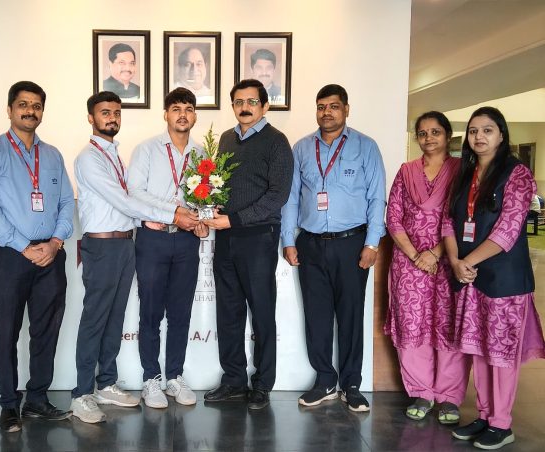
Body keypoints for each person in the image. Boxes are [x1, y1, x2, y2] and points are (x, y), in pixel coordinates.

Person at [71, 91, 199, 423]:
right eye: (105, 112)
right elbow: (126, 200)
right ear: (91, 117)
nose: (111, 118)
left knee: (114, 319)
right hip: (103, 245)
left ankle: (105, 384)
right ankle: (82, 393)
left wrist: (197, 219)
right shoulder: (90, 158)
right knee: (96, 319)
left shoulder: (114, 154)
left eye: (116, 112)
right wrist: (173, 215)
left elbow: (130, 203)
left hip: (126, 243)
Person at [0, 81, 75, 433]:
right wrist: (22, 245)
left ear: (42, 111)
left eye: (36, 105)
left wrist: (56, 242)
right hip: (10, 256)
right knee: (7, 331)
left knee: (46, 330)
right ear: (10, 109)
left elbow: (66, 202)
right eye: (23, 104)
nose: (30, 111)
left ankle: (37, 400)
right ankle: (8, 405)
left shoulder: (53, 155)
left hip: (50, 254)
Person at [443, 107, 545, 450]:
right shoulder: (466, 173)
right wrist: (455, 260)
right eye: (473, 131)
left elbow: (507, 230)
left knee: (500, 354)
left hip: (504, 281)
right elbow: (448, 221)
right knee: (479, 350)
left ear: (501, 134)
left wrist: (465, 262)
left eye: (487, 130)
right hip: (470, 277)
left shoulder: (517, 174)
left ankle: (502, 424)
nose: (479, 136)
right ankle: (485, 416)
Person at [281, 83, 386, 412]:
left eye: (334, 106)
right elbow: (291, 198)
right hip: (310, 243)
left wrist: (372, 242)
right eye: (321, 106)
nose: (327, 112)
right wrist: (288, 240)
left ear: (346, 109)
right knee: (317, 315)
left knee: (351, 315)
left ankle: (351, 384)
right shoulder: (302, 148)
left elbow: (376, 197)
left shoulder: (366, 146)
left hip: (352, 244)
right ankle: (325, 380)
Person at [203, 79, 293, 410]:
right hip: (226, 236)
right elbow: (221, 185)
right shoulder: (227, 138)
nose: (245, 107)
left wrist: (235, 220)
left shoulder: (277, 141)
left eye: (252, 101)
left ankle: (263, 383)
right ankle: (234, 381)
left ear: (265, 106)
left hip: (258, 237)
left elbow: (277, 196)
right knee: (228, 312)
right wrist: (213, 207)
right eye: (239, 101)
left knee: (262, 311)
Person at [384, 111, 466, 424]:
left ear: (447, 135)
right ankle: (421, 391)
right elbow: (393, 217)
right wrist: (415, 255)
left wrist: (434, 253)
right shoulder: (406, 171)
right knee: (411, 323)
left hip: (450, 260)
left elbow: (464, 217)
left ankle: (449, 397)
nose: (429, 138)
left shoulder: (462, 171)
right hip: (409, 264)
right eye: (422, 133)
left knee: (448, 325)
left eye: (435, 132)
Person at [127, 88, 206, 409]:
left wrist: (201, 220)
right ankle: (151, 379)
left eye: (188, 108)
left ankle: (174, 375)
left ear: (195, 115)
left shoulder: (201, 153)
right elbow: (135, 193)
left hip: (187, 240)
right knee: (150, 312)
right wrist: (174, 213)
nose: (182, 114)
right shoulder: (147, 150)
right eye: (176, 108)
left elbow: (206, 196)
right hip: (153, 239)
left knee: (180, 312)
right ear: (166, 114)